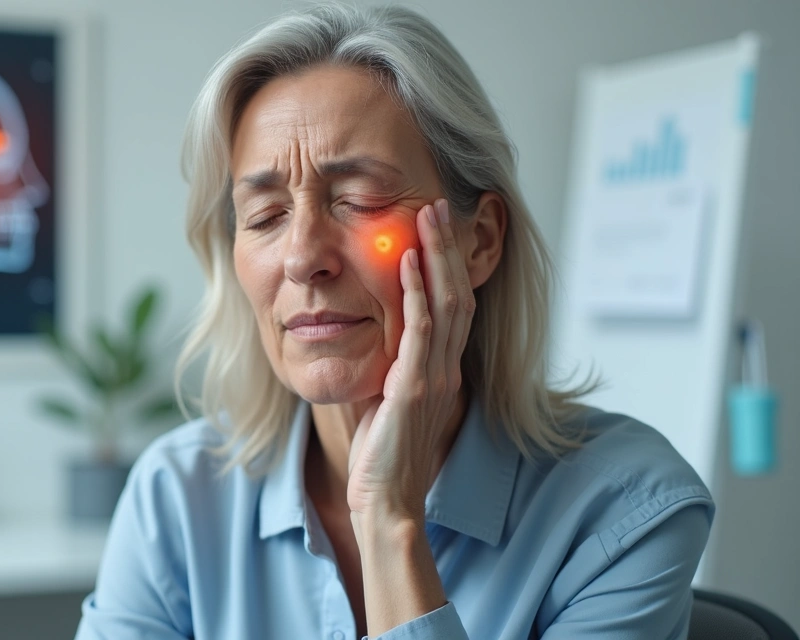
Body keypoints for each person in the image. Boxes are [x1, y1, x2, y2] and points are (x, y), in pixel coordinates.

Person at [74, 5, 712, 639]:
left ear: (480, 241)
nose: (301, 258)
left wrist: (389, 522)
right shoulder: (175, 499)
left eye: (360, 202)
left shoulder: (625, 512)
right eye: (265, 216)